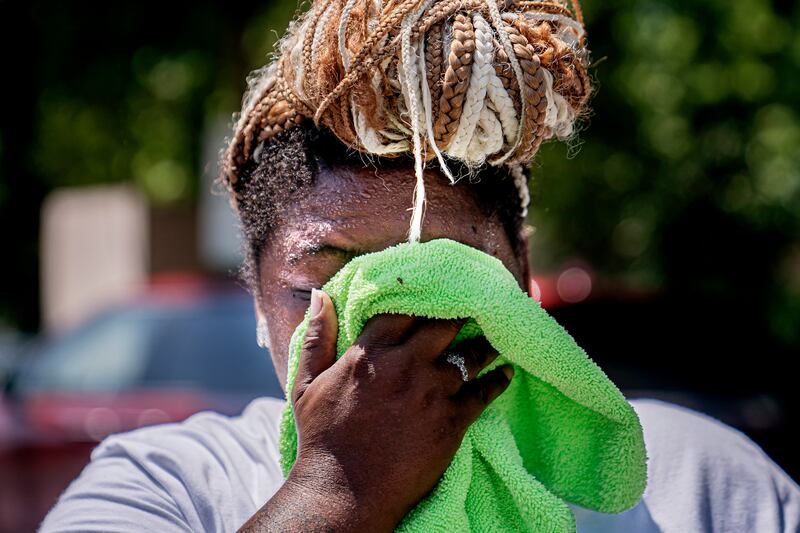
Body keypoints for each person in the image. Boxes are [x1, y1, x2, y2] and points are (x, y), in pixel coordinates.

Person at [41, 0, 799, 531]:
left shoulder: (698, 484)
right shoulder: (167, 485)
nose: (388, 331)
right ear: (256, 297)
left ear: (521, 275)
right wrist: (338, 488)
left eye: (446, 276)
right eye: (322, 285)